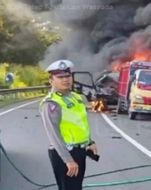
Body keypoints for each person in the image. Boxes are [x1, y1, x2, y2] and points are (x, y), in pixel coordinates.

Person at [39, 60, 98, 190]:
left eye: (67, 76)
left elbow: (80, 124)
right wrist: (68, 160)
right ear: (51, 80)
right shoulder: (51, 103)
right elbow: (53, 135)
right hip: (63, 153)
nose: (65, 80)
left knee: (76, 187)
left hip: (80, 151)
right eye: (60, 77)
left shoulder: (77, 98)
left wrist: (89, 142)